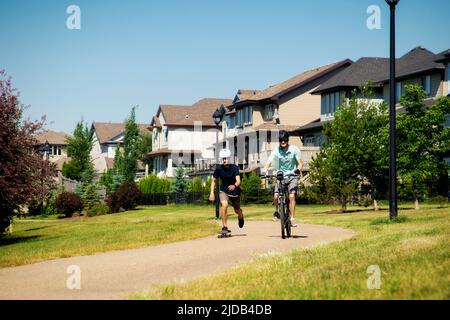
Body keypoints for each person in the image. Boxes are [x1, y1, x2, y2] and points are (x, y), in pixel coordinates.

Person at [262, 130, 303, 227]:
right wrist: (265, 170)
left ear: (288, 140)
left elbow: (300, 163)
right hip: (281, 176)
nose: (283, 142)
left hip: (293, 176)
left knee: (292, 196)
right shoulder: (276, 150)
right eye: (281, 140)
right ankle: (277, 211)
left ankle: (292, 218)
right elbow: (269, 161)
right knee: (276, 196)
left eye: (284, 140)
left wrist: (298, 170)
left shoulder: (294, 149)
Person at [209, 148, 245, 234]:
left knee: (237, 210)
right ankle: (224, 227)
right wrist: (211, 193)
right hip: (224, 190)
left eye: (226, 158)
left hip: (234, 191)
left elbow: (238, 180)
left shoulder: (234, 168)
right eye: (223, 159)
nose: (224, 160)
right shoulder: (218, 169)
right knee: (224, 205)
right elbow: (213, 180)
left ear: (229, 158)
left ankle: (240, 215)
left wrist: (234, 185)